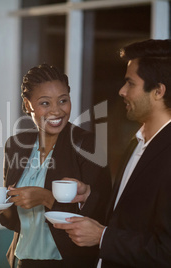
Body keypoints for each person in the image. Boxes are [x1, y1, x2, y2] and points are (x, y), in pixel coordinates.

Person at [54, 39, 171, 267]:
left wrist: (102, 237)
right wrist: (89, 195)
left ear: (158, 91)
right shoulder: (138, 142)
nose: (122, 91)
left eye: (130, 83)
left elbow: (166, 251)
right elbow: (129, 212)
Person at [0, 64, 112, 268]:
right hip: (22, 260)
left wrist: (47, 198)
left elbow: (100, 213)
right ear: (27, 104)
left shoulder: (88, 144)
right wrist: (0, 205)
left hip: (69, 262)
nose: (57, 110)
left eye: (63, 100)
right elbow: (12, 221)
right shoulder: (15, 145)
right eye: (45, 103)